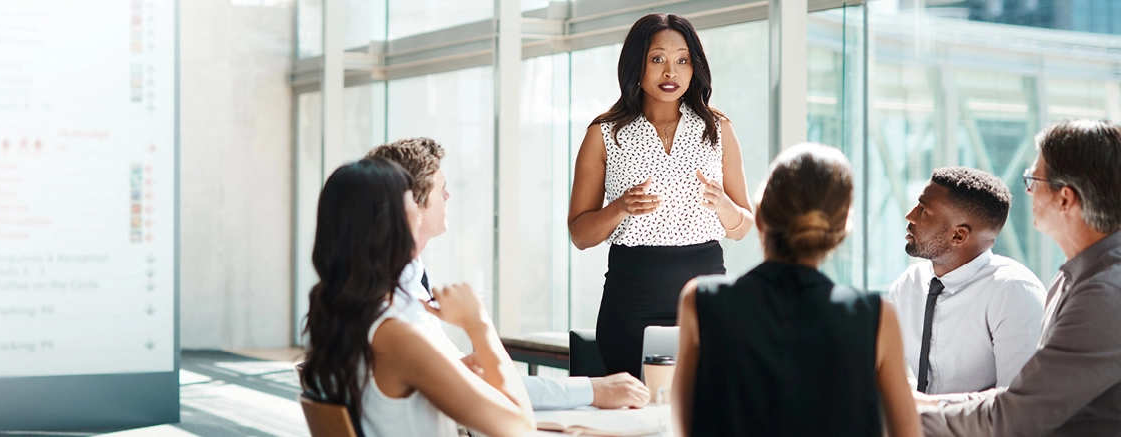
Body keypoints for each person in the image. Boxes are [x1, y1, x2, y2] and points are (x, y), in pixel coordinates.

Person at [367, 137, 651, 410]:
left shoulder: (401, 281)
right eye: (440, 188)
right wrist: (593, 391)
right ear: (411, 204)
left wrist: (464, 367)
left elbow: (463, 378)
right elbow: (476, 390)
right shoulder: (393, 306)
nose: (448, 195)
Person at [671, 144, 920, 437]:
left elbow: (683, 428)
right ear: (840, 231)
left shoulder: (701, 300)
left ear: (760, 217)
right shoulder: (876, 316)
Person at [568, 12, 754, 379]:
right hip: (632, 300)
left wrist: (723, 206)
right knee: (639, 411)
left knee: (704, 412)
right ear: (636, 65)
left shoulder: (718, 129)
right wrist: (620, 208)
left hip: (706, 300)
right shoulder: (604, 133)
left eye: (682, 60)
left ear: (694, 67)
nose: (671, 72)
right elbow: (580, 234)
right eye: (658, 59)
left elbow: (742, 226)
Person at [299, 157, 534, 437]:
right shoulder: (397, 337)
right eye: (412, 203)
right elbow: (519, 428)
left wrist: (445, 369)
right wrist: (479, 323)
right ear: (391, 224)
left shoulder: (339, 319)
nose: (420, 214)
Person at [918, 119, 1121, 435]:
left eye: (1033, 178)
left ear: (1065, 199)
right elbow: (1024, 397)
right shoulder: (1075, 277)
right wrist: (923, 404)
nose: (1027, 191)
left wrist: (900, 416)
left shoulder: (1105, 293)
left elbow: (1018, 417)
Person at [888, 167, 1045, 395]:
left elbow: (1019, 405)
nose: (910, 215)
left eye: (923, 210)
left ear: (958, 235)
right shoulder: (909, 284)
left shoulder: (1013, 292)